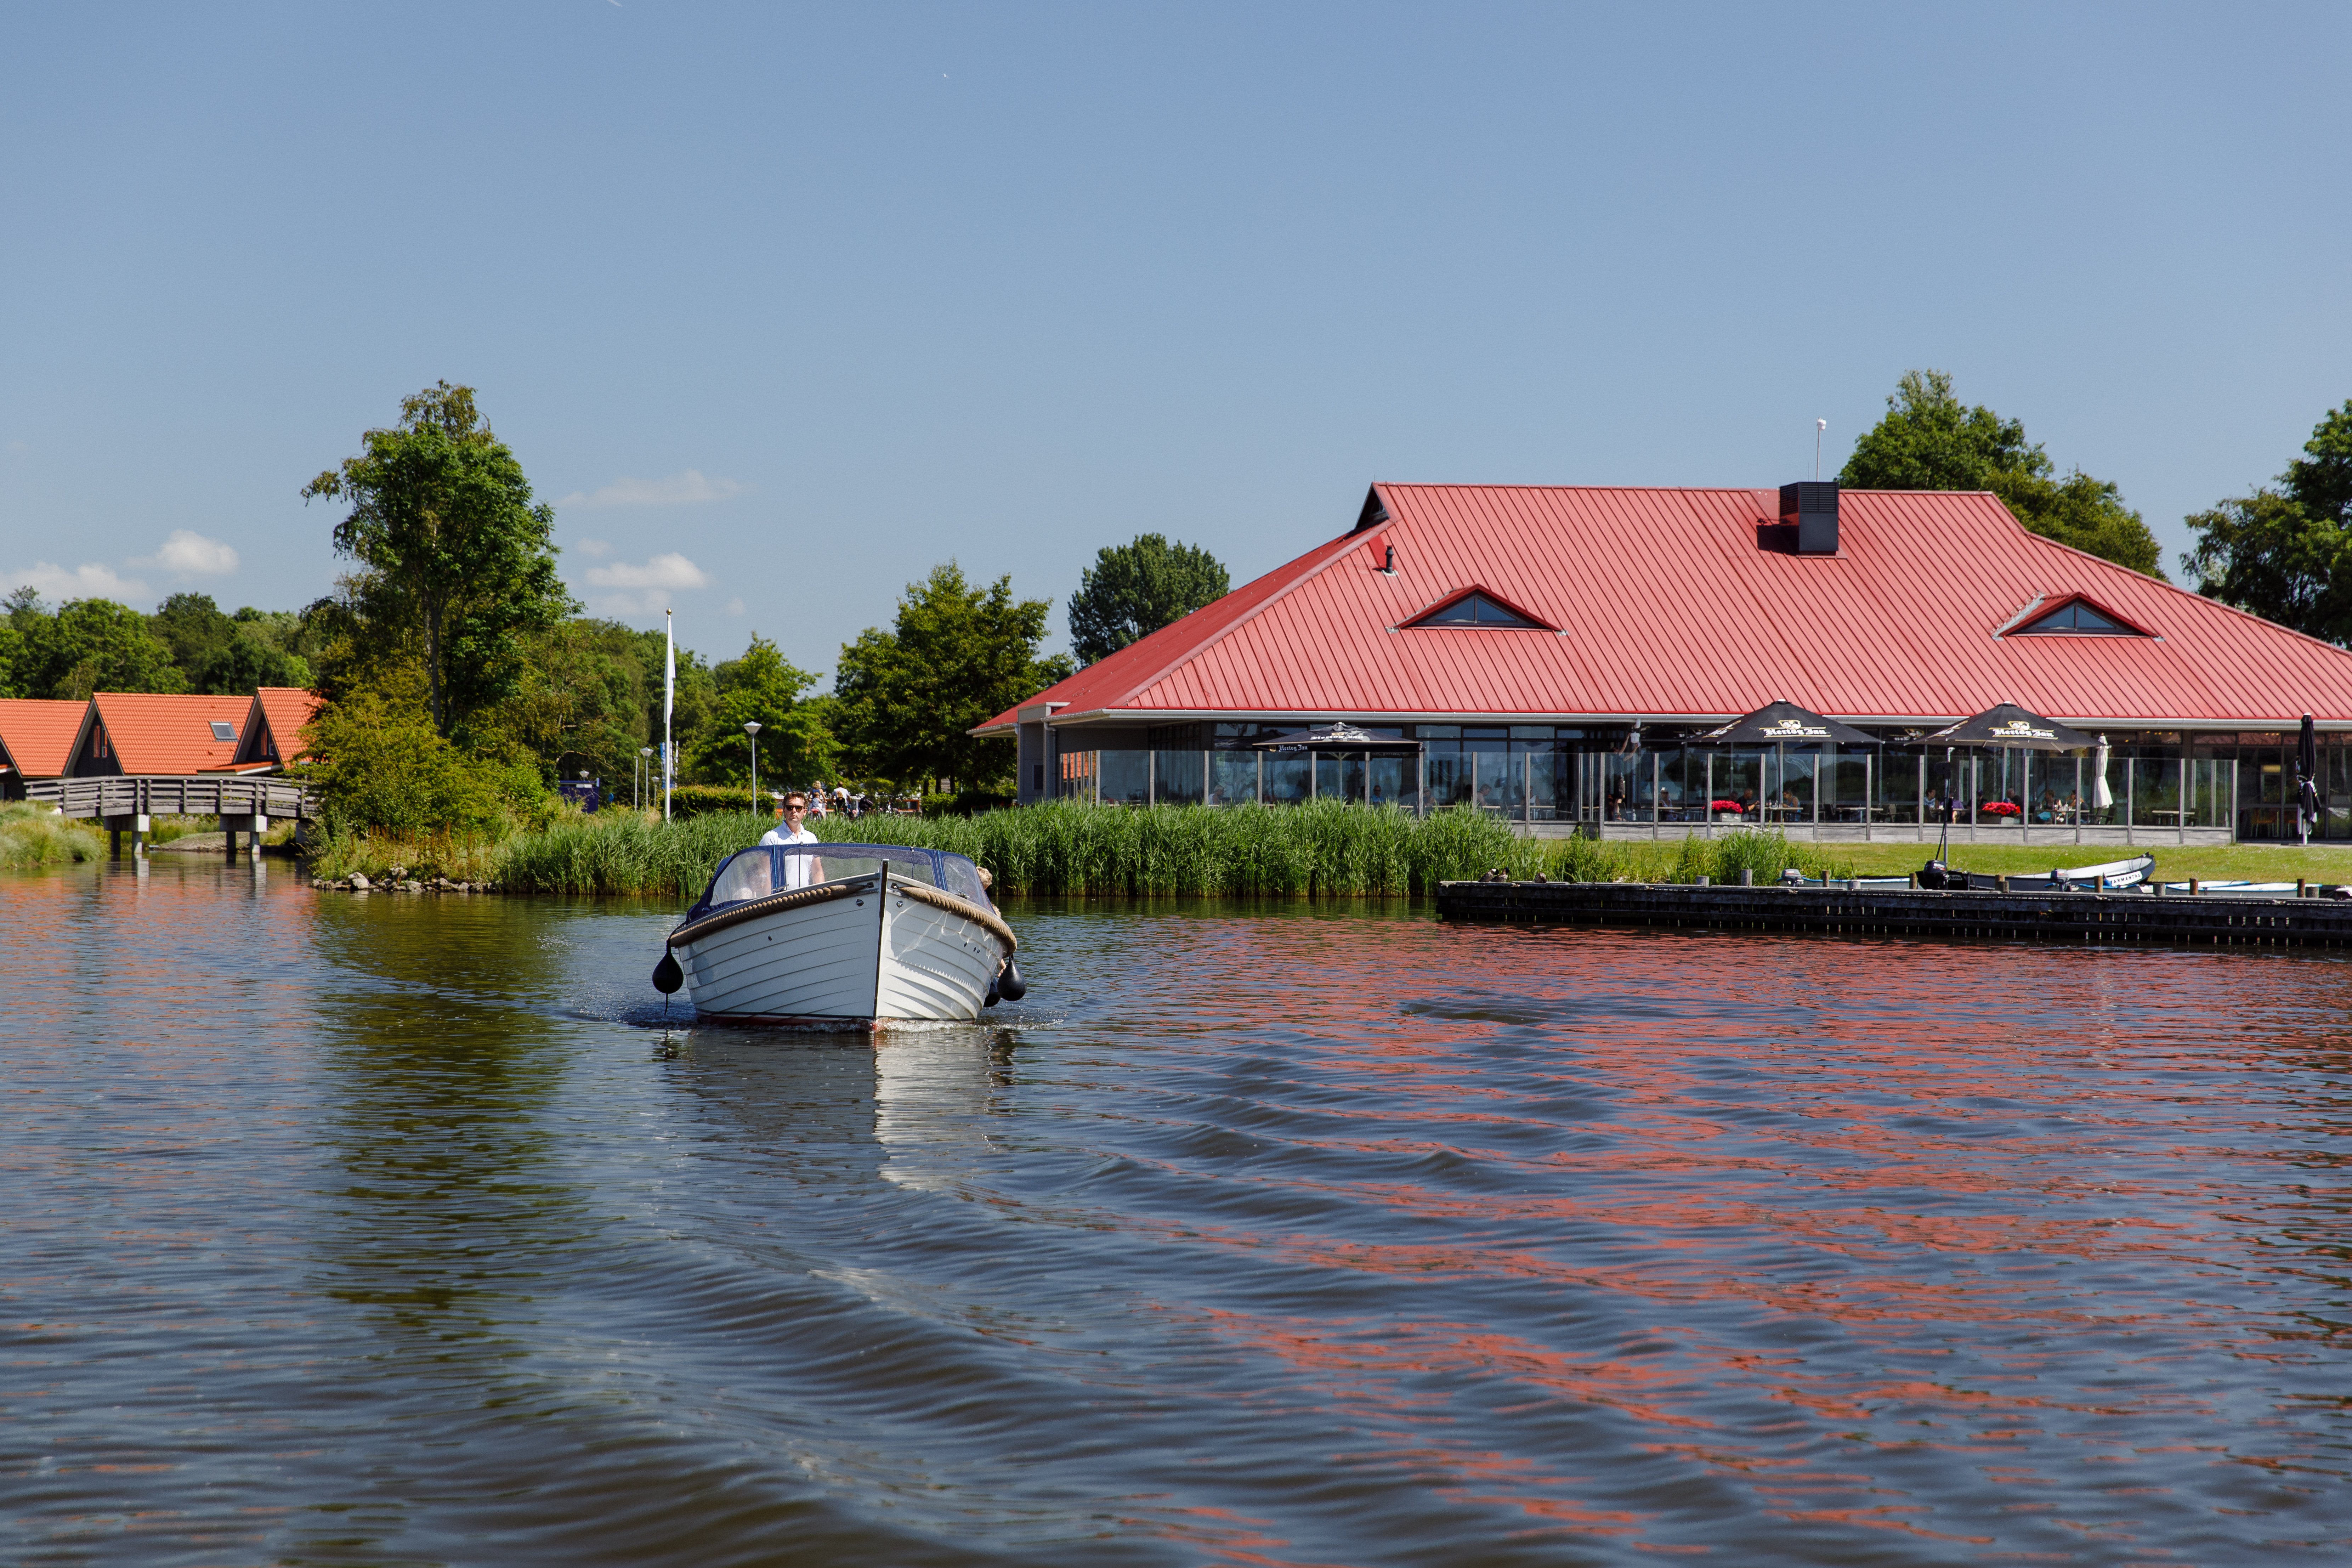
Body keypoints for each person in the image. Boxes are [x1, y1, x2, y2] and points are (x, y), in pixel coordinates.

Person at [759, 791, 823, 888]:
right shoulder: (771, 838)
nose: (794, 811)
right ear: (784, 811)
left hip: (806, 899)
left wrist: (821, 896)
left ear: (805, 812)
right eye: (790, 808)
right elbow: (764, 875)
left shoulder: (811, 838)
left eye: (798, 808)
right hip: (780, 900)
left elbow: (817, 872)